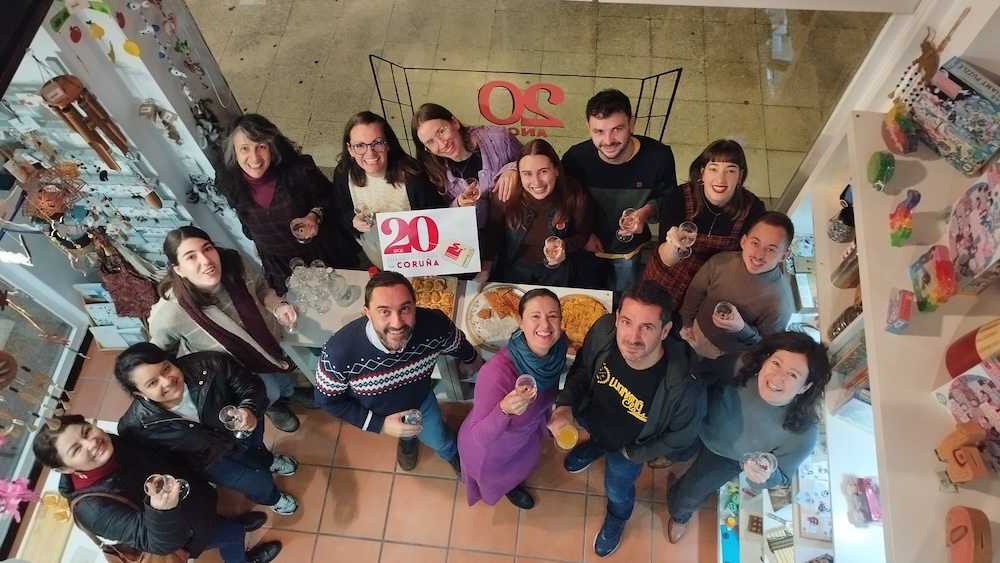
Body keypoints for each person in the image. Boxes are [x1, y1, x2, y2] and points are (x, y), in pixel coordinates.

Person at [546, 281, 705, 557]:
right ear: (617, 318)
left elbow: (680, 436)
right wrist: (566, 405)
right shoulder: (604, 330)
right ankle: (595, 446)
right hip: (592, 420)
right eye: (627, 322)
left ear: (665, 331)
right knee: (596, 436)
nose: (632, 337)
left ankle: (617, 518)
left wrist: (635, 453)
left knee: (617, 489)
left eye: (647, 327)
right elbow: (583, 368)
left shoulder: (684, 387)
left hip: (629, 448)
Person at [32, 414, 281, 563]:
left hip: (195, 504)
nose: (92, 442)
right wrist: (161, 510)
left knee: (219, 519)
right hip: (185, 532)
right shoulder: (93, 509)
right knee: (232, 534)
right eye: (76, 450)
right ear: (64, 469)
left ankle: (228, 523)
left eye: (87, 431)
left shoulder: (110, 445)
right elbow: (158, 542)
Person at [665, 331, 832, 544]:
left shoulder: (803, 433)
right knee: (675, 450)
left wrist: (764, 475)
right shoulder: (740, 365)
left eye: (793, 375)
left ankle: (679, 515)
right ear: (766, 359)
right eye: (776, 363)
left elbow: (781, 475)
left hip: (728, 459)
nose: (777, 378)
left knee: (692, 493)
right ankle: (672, 456)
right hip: (700, 422)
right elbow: (703, 375)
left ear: (805, 387)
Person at [148, 226, 313, 433]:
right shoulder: (170, 314)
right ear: (178, 269)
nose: (206, 261)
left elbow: (261, 288)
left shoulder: (236, 265)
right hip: (241, 369)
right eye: (191, 257)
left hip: (270, 344)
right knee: (268, 392)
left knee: (280, 377)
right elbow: (158, 356)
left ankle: (289, 392)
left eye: (207, 249)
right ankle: (273, 406)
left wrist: (278, 306)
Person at [315, 271, 484, 473]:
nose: (397, 323)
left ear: (415, 306)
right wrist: (381, 424)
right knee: (408, 432)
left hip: (421, 402)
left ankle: (449, 452)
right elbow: (327, 400)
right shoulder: (338, 352)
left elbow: (456, 342)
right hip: (380, 411)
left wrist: (470, 358)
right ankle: (407, 439)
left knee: (439, 439)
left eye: (404, 309)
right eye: (384, 311)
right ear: (367, 312)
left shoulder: (434, 325)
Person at [115, 343, 300, 517]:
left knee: (258, 449)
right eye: (152, 383)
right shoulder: (136, 426)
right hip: (212, 461)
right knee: (257, 483)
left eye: (166, 368)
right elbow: (156, 459)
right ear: (138, 393)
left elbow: (250, 385)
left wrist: (250, 408)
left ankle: (268, 460)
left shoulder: (208, 364)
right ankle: (273, 499)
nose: (167, 381)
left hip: (242, 428)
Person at [214, 113, 360, 295]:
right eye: (244, 148)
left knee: (343, 295)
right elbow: (245, 217)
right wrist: (258, 239)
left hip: (321, 251)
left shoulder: (299, 170)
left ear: (272, 147)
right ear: (234, 153)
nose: (254, 157)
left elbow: (329, 197)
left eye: (261, 146)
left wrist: (314, 216)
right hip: (281, 265)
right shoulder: (230, 183)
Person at [456, 289, 568, 510]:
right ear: (520, 322)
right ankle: (507, 489)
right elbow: (481, 436)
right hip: (492, 452)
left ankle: (513, 483)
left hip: (526, 438)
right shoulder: (497, 372)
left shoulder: (558, 347)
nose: (545, 325)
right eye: (535, 316)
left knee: (523, 466)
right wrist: (504, 410)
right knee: (499, 480)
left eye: (552, 316)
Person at [562, 89, 677, 296]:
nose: (608, 140)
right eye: (598, 131)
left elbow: (668, 198)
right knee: (586, 299)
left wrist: (646, 212)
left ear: (632, 124)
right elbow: (564, 203)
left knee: (625, 297)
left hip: (629, 250)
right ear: (588, 127)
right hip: (587, 246)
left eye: (617, 129)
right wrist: (584, 235)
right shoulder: (575, 159)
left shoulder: (659, 157)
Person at [642, 138, 767, 310]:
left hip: (710, 288)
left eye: (730, 171)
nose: (720, 179)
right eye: (713, 169)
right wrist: (674, 244)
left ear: (740, 176)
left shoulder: (752, 209)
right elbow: (667, 259)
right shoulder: (679, 197)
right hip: (667, 276)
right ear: (702, 172)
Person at [331, 111, 445, 269]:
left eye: (377, 143)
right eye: (360, 146)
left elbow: (436, 215)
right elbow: (339, 209)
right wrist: (352, 220)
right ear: (350, 149)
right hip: (375, 256)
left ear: (388, 144)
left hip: (417, 259)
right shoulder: (344, 174)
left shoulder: (413, 176)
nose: (370, 153)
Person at [678, 211, 795, 359]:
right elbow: (696, 290)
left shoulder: (780, 304)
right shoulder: (720, 262)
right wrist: (687, 321)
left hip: (724, 354)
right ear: (744, 241)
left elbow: (764, 346)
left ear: (784, 256)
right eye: (755, 243)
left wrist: (741, 329)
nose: (759, 255)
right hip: (694, 330)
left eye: (770, 249)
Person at [479, 139, 592, 287]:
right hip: (514, 268)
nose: (536, 182)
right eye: (527, 174)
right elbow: (493, 232)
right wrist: (486, 269)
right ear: (519, 174)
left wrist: (564, 245)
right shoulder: (506, 195)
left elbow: (583, 235)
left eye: (543, 171)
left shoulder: (576, 196)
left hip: (557, 271)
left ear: (556, 170)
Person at [411, 103, 522, 228]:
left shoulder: (498, 138)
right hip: (481, 237)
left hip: (518, 223)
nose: (442, 145)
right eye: (431, 142)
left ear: (455, 123)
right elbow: (443, 219)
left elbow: (533, 160)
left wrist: (514, 169)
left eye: (441, 132)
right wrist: (458, 204)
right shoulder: (433, 173)